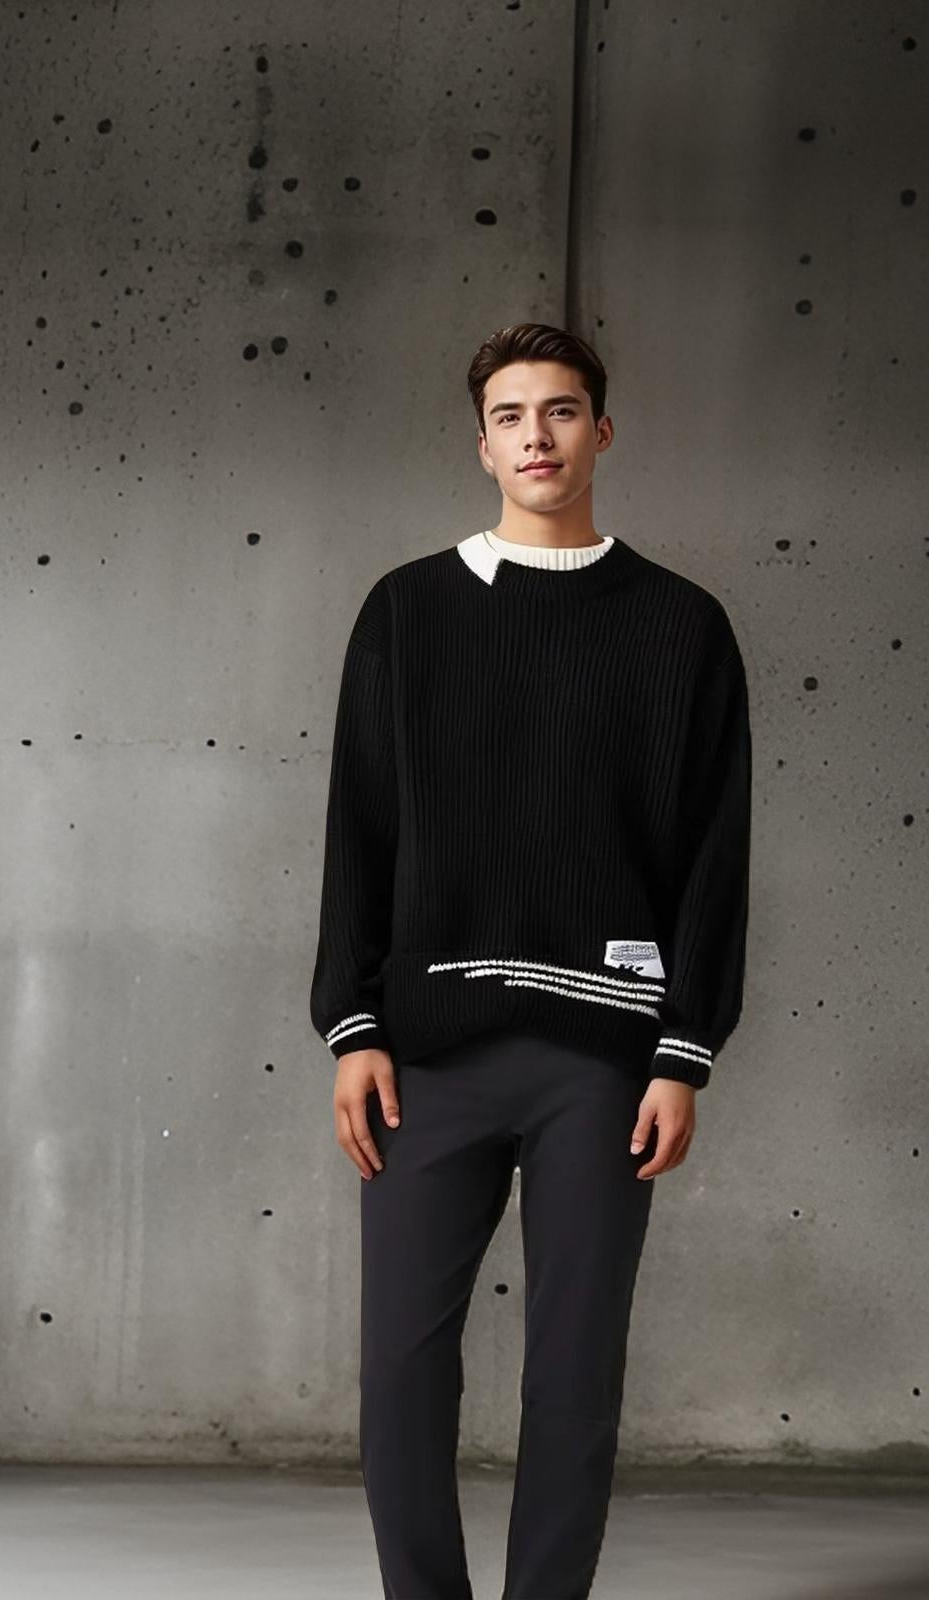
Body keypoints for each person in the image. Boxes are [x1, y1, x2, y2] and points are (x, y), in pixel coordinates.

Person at [309, 322, 752, 1600]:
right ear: (482, 443)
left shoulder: (680, 626)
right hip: (426, 1056)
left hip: (603, 1062)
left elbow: (713, 855)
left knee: (573, 1373)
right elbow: (359, 831)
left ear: (600, 432)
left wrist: (684, 1052)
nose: (537, 437)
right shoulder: (408, 610)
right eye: (510, 416)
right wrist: (352, 1026)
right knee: (400, 1369)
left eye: (560, 412)